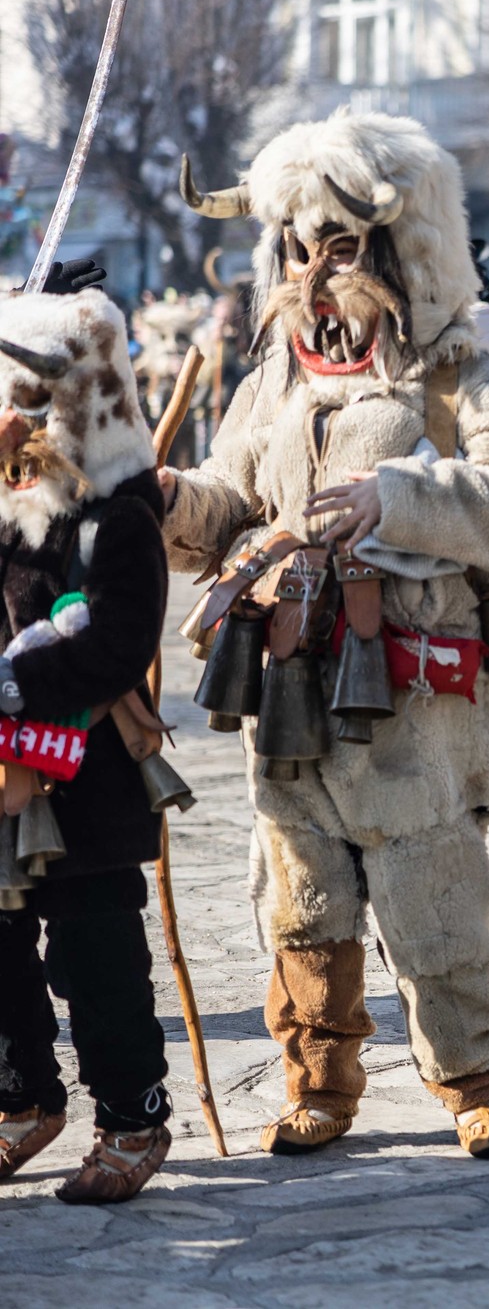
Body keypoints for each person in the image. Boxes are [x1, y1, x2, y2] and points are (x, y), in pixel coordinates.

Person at [165, 111, 489, 1157]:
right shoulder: (273, 377)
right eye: (296, 245)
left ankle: (474, 1081)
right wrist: (168, 499)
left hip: (413, 689)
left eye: (338, 244)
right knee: (297, 894)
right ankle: (318, 1085)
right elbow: (227, 500)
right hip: (287, 672)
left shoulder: (457, 363)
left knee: (433, 893)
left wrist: (396, 497)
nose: (313, 268)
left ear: (398, 245)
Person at [0, 284, 176, 1204]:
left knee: (95, 952)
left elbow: (120, 641)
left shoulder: (121, 514)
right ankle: (23, 1098)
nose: (16, 422)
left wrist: (15, 683)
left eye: (32, 402)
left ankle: (133, 1118)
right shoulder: (8, 504)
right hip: (7, 771)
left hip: (89, 772)